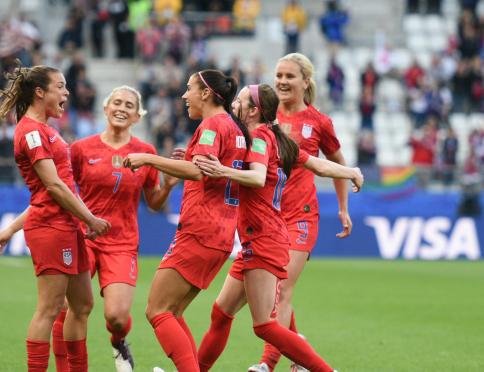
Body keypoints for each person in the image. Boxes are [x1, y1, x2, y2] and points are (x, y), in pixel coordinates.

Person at [195, 84, 363, 372]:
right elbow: (319, 167)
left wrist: (223, 171)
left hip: (263, 238)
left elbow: (258, 177)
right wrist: (351, 172)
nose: (233, 106)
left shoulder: (260, 137)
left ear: (253, 110)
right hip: (258, 238)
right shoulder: (276, 137)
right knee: (221, 313)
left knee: (264, 326)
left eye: (240, 102)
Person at [122, 69, 249, 371]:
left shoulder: (212, 125)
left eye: (189, 89)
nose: (184, 95)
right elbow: (206, 168)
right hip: (220, 232)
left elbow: (199, 171)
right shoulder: (233, 126)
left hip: (200, 230)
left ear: (206, 93)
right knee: (174, 312)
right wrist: (187, 161)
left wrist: (149, 159)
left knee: (157, 310)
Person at [0, 63, 110, 372]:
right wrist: (90, 219)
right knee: (50, 307)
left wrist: (10, 229)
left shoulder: (45, 130)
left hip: (67, 226)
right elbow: (54, 187)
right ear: (40, 92)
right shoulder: (30, 132)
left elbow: (46, 193)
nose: (67, 92)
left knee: (82, 305)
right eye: (61, 86)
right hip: (53, 228)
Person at [50, 86, 179, 372]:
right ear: (106, 109)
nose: (122, 108)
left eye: (129, 105)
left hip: (122, 242)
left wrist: (168, 186)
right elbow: (61, 190)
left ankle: (119, 342)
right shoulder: (81, 149)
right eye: (117, 103)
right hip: (84, 238)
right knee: (66, 308)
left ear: (137, 116)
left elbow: (154, 203)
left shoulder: (146, 152)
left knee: (118, 317)